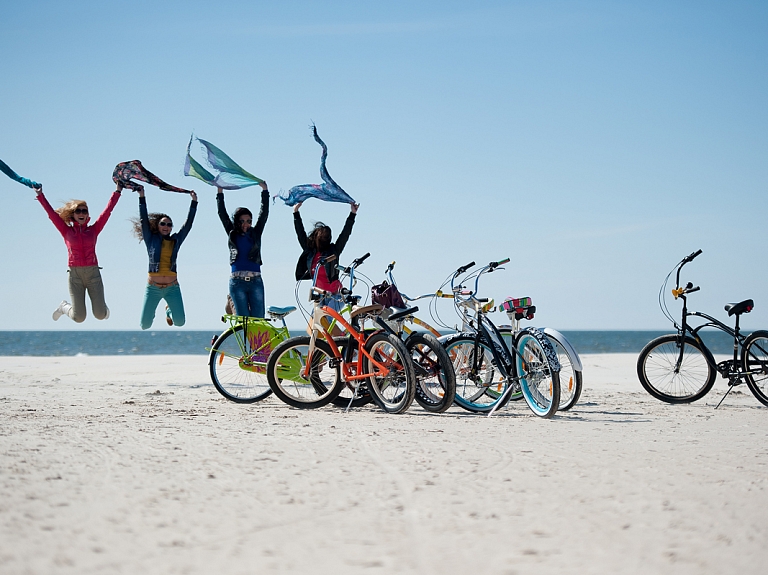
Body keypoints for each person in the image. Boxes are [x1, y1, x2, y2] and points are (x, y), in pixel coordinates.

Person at [35, 183, 122, 322]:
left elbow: (107, 212)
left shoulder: (93, 230)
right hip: (75, 275)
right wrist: (40, 196)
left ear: (87, 214)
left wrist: (117, 192)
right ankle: (64, 307)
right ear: (73, 214)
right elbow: (51, 215)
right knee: (79, 317)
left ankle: (103, 309)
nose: (81, 213)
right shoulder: (66, 231)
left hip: (93, 273)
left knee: (100, 315)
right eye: (78, 211)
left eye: (84, 211)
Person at [131, 187, 197, 329]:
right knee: (144, 325)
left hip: (172, 287)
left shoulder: (176, 241)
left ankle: (168, 311)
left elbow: (188, 225)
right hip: (153, 288)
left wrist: (194, 203)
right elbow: (143, 220)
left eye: (169, 224)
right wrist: (141, 197)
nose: (166, 226)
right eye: (163, 224)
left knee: (180, 322)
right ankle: (163, 309)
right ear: (158, 226)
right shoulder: (151, 239)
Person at [293, 200, 359, 312]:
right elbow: (300, 234)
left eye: (327, 237)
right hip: (320, 295)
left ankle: (344, 330)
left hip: (336, 294)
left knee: (326, 319)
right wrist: (296, 212)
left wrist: (352, 214)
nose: (325, 239)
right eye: (323, 236)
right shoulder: (310, 251)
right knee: (314, 325)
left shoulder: (333, 251)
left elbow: (345, 234)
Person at [217, 181, 269, 318]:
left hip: (256, 281)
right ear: (237, 222)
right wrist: (220, 192)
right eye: (242, 221)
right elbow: (222, 214)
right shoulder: (232, 233)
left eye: (248, 221)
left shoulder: (256, 233)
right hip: (237, 281)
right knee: (244, 321)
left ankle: (231, 302)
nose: (245, 224)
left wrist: (264, 190)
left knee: (258, 320)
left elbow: (264, 214)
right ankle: (231, 301)